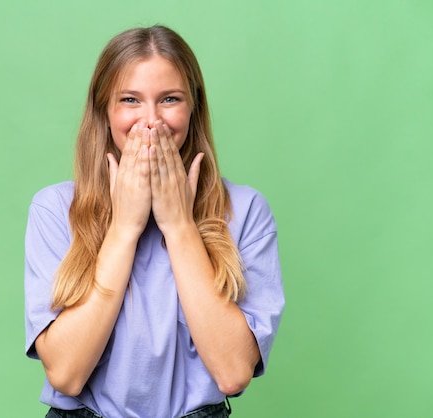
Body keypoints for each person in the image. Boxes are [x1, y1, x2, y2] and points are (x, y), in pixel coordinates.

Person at [24, 25, 285, 418]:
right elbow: (66, 374)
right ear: (104, 110)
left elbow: (233, 374)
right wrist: (125, 227)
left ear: (193, 107)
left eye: (169, 100)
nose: (150, 121)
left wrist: (179, 225)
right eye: (130, 99)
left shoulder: (247, 210)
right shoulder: (53, 209)